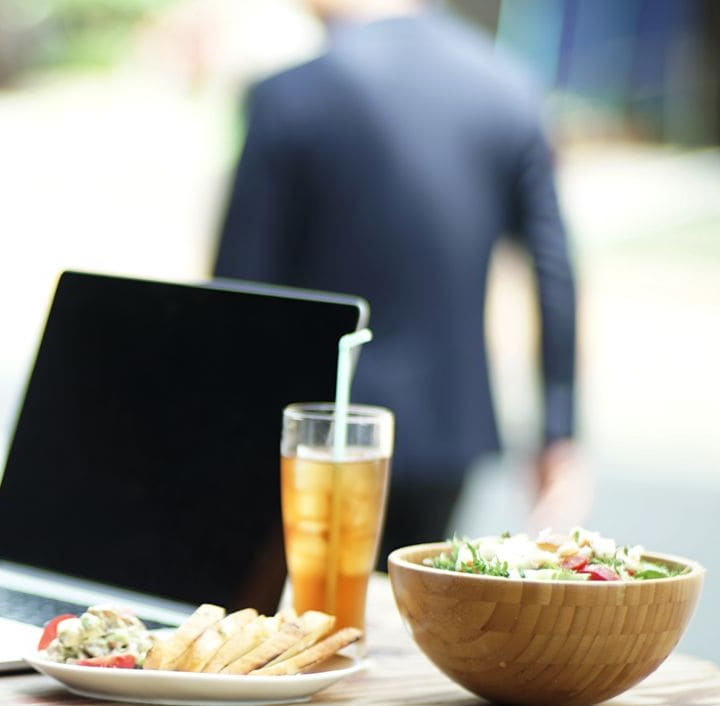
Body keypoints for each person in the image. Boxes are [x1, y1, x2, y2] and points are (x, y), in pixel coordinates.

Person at [213, 0, 585, 562]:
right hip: (445, 429)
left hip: (312, 432)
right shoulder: (508, 85)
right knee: (409, 615)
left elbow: (239, 287)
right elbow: (553, 270)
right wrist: (559, 428)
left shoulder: (288, 93)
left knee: (304, 622)